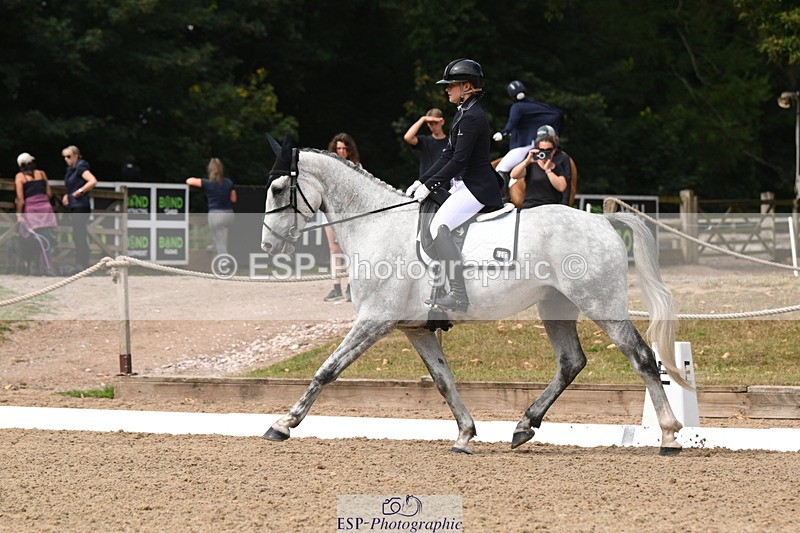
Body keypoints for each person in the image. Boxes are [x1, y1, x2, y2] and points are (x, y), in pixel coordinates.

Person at [405, 58, 502, 312]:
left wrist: (431, 186)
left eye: (452, 85)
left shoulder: (473, 117)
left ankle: (459, 294)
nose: (447, 89)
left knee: (439, 226)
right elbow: (447, 155)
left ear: (467, 87)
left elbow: (459, 160)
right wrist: (423, 180)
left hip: (477, 186)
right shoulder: (464, 113)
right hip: (466, 184)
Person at [322, 133, 361, 302]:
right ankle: (336, 286)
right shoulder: (328, 166)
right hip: (331, 213)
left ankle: (351, 286)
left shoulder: (356, 166)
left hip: (349, 215)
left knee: (350, 250)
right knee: (334, 250)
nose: (342, 151)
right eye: (339, 148)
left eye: (345, 148)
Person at [14, 152, 57, 274]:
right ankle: (48, 266)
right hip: (45, 207)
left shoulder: (20, 177)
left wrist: (19, 215)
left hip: (31, 209)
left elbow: (21, 198)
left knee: (33, 237)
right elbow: (49, 193)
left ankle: (35, 267)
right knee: (46, 237)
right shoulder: (42, 173)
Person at [508, 129, 572, 209]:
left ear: (554, 150)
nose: (545, 153)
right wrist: (527, 161)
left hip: (551, 208)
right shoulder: (531, 166)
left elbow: (562, 187)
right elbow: (513, 175)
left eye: (548, 150)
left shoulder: (557, 167)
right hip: (530, 207)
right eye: (541, 150)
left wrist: (548, 170)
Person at [186, 158, 237, 255]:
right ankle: (213, 246)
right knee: (218, 234)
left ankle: (224, 262)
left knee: (220, 240)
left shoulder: (208, 183)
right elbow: (234, 199)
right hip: (229, 215)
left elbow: (189, 181)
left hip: (216, 215)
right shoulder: (229, 182)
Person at [492, 80, 564, 149]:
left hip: (525, 145)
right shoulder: (538, 106)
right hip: (545, 144)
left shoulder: (517, 107)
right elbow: (558, 114)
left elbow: (512, 122)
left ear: (511, 97)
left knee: (504, 162)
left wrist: (503, 133)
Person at [61, 145, 99, 270]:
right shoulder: (71, 169)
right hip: (74, 205)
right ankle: (80, 262)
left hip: (81, 205)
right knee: (77, 234)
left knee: (79, 234)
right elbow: (72, 185)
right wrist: (68, 195)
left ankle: (82, 263)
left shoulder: (80, 166)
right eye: (65, 157)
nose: (66, 159)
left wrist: (80, 191)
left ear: (76, 155)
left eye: (69, 156)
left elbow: (92, 181)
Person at [402, 108, 448, 177]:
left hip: (444, 183)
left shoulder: (450, 142)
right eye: (430, 123)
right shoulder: (424, 140)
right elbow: (408, 137)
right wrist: (423, 119)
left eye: (436, 123)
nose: (434, 126)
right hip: (425, 183)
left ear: (442, 122)